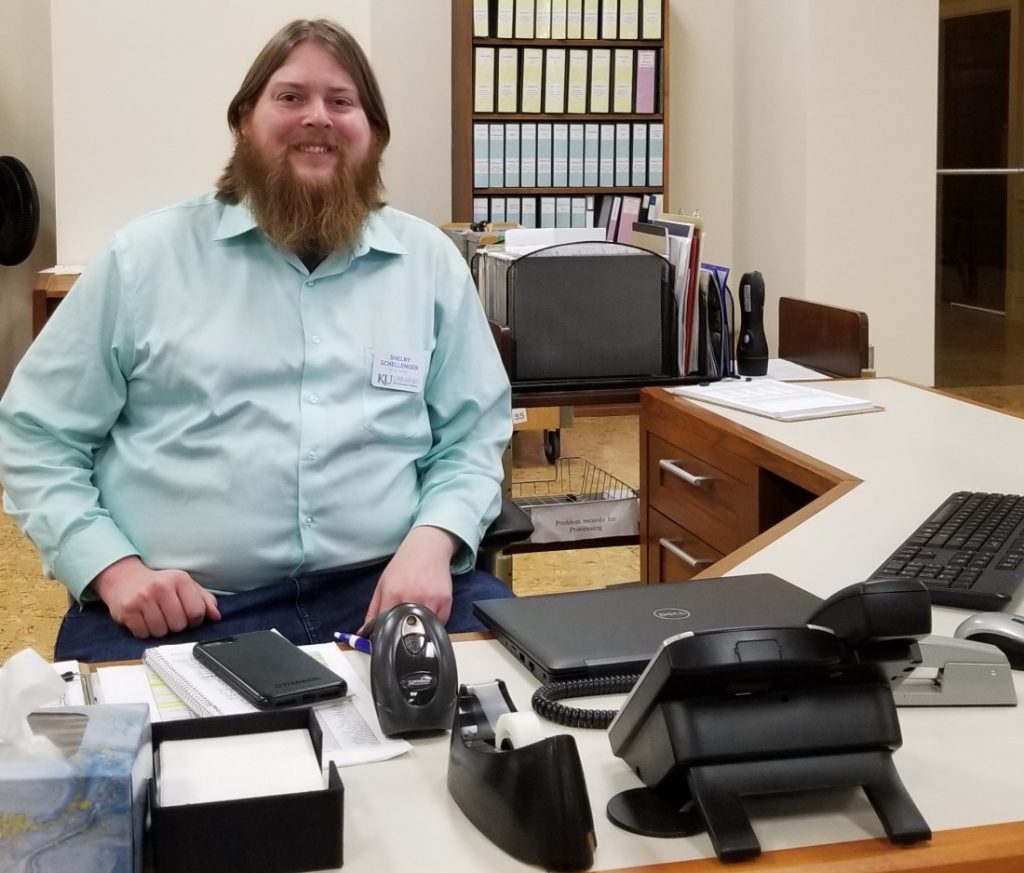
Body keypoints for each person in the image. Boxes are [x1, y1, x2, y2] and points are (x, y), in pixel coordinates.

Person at [0, 19, 514, 663]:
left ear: (373, 134)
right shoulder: (144, 261)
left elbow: (472, 436)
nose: (318, 118)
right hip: (183, 607)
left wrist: (433, 542)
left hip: (387, 588)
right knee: (131, 764)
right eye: (291, 97)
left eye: (342, 100)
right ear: (245, 121)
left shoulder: (428, 263)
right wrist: (113, 569)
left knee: (519, 722)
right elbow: (36, 433)